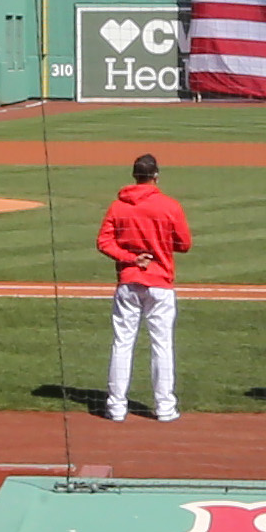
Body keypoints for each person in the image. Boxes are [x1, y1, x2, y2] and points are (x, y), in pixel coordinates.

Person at [98, 150, 189, 424]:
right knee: (162, 345)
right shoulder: (169, 206)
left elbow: (104, 242)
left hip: (128, 281)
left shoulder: (118, 206)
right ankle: (164, 407)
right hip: (160, 282)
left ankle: (115, 407)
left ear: (134, 176)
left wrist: (130, 258)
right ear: (156, 176)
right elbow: (184, 244)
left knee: (122, 344)